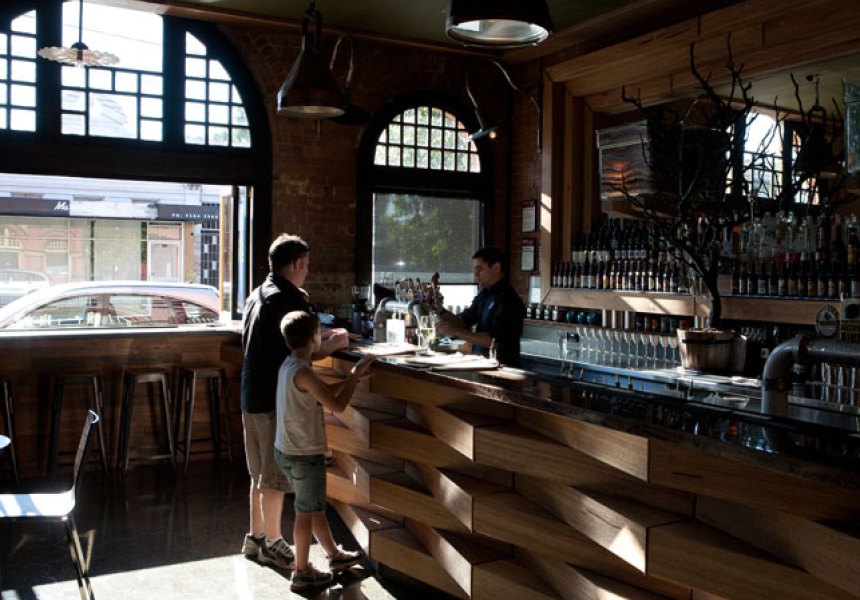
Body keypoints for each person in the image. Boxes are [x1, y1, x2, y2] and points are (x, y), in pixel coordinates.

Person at [240, 234, 348, 569]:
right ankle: (274, 544)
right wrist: (335, 343)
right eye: (307, 266)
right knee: (273, 478)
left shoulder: (257, 294)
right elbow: (304, 352)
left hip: (250, 394)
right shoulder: (287, 299)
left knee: (258, 473)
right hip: (274, 398)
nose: (308, 272)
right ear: (297, 264)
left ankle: (256, 537)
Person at [275, 310, 376, 590]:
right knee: (305, 512)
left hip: (286, 450)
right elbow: (337, 405)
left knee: (312, 506)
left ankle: (333, 555)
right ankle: (301, 572)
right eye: (320, 333)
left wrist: (352, 380)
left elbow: (322, 394)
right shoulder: (304, 371)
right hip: (303, 455)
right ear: (313, 339)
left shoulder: (289, 364)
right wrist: (354, 376)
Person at [436, 246, 526, 366]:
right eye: (475, 270)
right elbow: (462, 321)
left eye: (480, 269)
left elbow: (493, 341)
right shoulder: (485, 295)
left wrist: (454, 331)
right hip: (482, 365)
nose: (475, 274)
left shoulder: (508, 299)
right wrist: (439, 310)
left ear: (496, 268)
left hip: (502, 369)